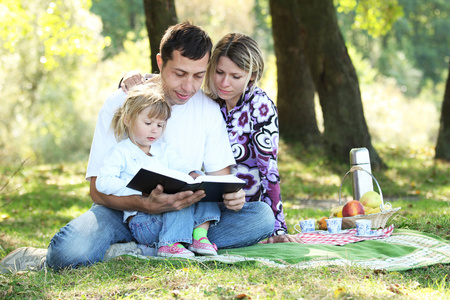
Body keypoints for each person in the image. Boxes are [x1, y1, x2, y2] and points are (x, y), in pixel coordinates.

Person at [0, 22, 274, 273]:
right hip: (122, 213)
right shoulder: (120, 103)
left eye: (198, 76)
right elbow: (97, 190)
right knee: (68, 253)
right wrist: (144, 204)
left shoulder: (208, 110)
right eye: (179, 73)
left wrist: (232, 197)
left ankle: (138, 251)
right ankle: (158, 247)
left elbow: (220, 180)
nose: (188, 87)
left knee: (260, 217)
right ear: (159, 62)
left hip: (182, 215)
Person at [96, 83, 219, 257]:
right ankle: (169, 244)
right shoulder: (121, 152)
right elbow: (103, 182)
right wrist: (139, 188)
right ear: (128, 119)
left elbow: (182, 167)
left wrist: (194, 175)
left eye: (160, 125)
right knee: (177, 202)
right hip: (143, 221)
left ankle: (199, 236)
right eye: (148, 123)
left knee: (204, 191)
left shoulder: (164, 150)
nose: (155, 130)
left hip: (167, 217)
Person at [203, 33, 302, 243]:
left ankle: (197, 239)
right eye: (219, 72)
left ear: (252, 75)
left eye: (235, 76)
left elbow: (269, 172)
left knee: (261, 218)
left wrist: (278, 229)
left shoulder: (260, 107)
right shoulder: (206, 102)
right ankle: (200, 238)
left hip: (242, 210)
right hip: (204, 206)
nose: (224, 82)